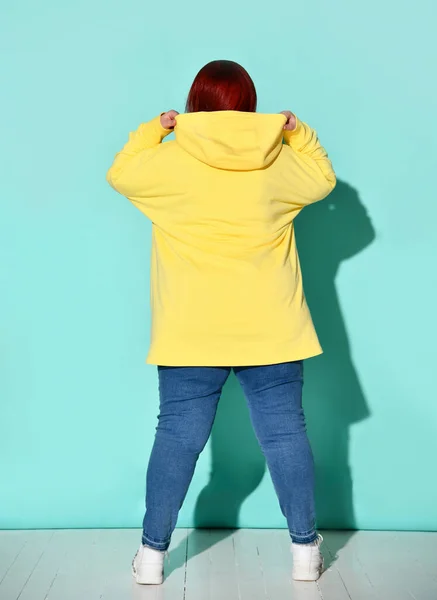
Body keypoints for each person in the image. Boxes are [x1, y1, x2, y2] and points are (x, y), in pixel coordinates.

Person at [106, 60, 336, 585]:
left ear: (193, 104)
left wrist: (155, 129)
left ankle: (150, 556)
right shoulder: (276, 162)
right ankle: (305, 552)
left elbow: (119, 171)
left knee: (177, 438)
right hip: (272, 328)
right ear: (250, 105)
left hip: (191, 331)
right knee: (285, 435)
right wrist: (297, 133)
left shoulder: (169, 163)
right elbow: (324, 179)